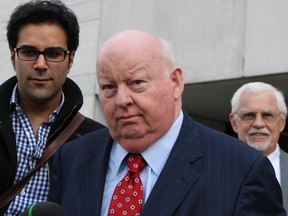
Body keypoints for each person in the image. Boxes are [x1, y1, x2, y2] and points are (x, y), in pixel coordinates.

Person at [48, 29, 285, 216]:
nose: (122, 100)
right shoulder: (70, 158)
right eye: (109, 87)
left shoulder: (242, 169)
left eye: (137, 82)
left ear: (175, 82)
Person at [0, 0, 105, 215]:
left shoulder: (96, 140)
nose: (40, 64)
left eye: (54, 53)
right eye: (29, 52)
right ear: (13, 56)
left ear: (71, 59)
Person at [229, 81, 288, 211]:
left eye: (267, 115)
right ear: (234, 123)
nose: (258, 124)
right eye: (249, 115)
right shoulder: (212, 169)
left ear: (282, 123)